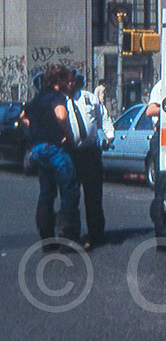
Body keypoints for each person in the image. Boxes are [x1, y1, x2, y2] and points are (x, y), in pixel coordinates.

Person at [22, 64, 81, 247]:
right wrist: (68, 136)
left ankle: (46, 236)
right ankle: (66, 232)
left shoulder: (37, 98)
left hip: (38, 149)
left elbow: (23, 115)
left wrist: (35, 130)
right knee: (69, 190)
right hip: (55, 148)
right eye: (66, 79)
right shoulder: (58, 97)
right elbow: (61, 115)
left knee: (46, 193)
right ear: (60, 80)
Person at [67, 71, 114, 249]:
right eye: (67, 81)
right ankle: (72, 235)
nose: (70, 85)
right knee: (70, 196)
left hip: (90, 152)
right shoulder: (59, 102)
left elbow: (103, 117)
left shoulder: (89, 98)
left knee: (93, 195)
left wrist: (109, 136)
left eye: (72, 81)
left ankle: (96, 234)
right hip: (70, 154)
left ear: (77, 81)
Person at [145, 80, 166, 238]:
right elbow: (150, 110)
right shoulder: (162, 85)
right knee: (162, 185)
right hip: (161, 134)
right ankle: (161, 230)